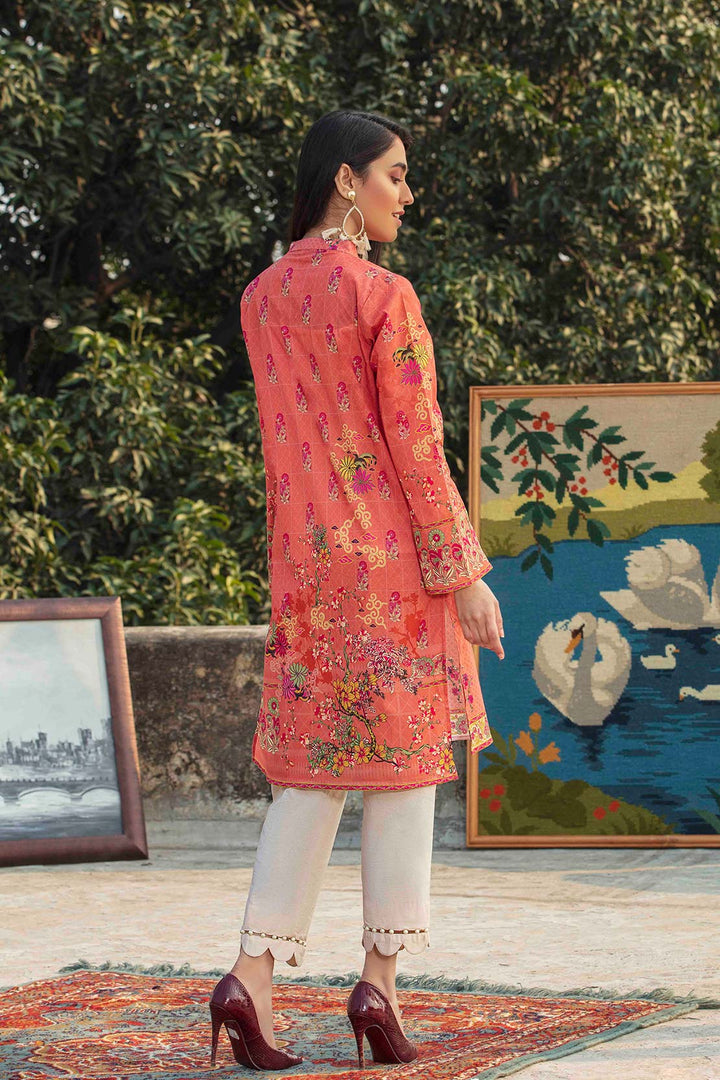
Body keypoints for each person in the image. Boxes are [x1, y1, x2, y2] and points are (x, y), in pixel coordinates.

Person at [209, 109, 505, 1071]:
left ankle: (250, 978)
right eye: (396, 175)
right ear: (348, 179)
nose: (406, 195)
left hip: (305, 567)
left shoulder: (260, 298)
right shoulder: (384, 295)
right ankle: (379, 984)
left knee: (313, 773)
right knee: (406, 770)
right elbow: (416, 447)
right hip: (388, 564)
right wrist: (464, 574)